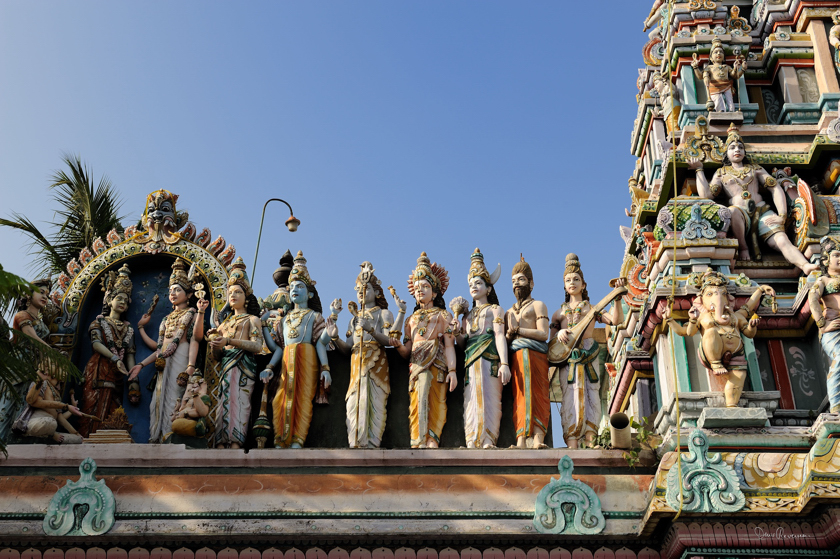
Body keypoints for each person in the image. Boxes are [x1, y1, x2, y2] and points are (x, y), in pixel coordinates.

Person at [690, 124, 819, 275]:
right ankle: (743, 247)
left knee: (781, 240)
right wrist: (699, 169)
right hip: (740, 215)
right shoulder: (721, 173)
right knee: (732, 211)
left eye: (740, 147)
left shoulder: (755, 169)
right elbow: (706, 195)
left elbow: (775, 187)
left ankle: (804, 265)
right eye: (732, 148)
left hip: (762, 211)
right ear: (726, 153)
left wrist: (782, 216)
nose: (737, 150)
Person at [326, 262, 404, 448]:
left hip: (376, 363)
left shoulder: (384, 314)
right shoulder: (354, 320)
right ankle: (356, 444)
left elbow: (389, 341)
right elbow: (347, 348)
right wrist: (335, 337)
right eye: (359, 289)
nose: (361, 291)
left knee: (374, 405)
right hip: (356, 365)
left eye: (366, 288)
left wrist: (371, 330)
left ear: (377, 292)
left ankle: (372, 444)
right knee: (354, 405)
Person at [129, 259, 207, 443]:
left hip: (181, 358)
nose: (172, 293)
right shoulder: (166, 319)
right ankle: (156, 436)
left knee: (175, 396)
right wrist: (140, 364)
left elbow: (196, 339)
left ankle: (169, 435)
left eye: (177, 289)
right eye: (171, 290)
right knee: (157, 400)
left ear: (188, 294)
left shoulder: (191, 313)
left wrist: (190, 366)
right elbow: (159, 348)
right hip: (163, 362)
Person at [550, 254, 623, 449]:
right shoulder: (559, 314)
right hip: (569, 359)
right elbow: (550, 344)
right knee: (570, 397)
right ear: (564, 286)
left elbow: (616, 321)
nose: (572, 282)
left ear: (583, 284)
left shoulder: (592, 308)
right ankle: (572, 442)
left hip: (589, 354)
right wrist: (559, 334)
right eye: (568, 280)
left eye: (576, 279)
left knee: (592, 395)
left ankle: (591, 440)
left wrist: (617, 299)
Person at [260, 251, 331, 448]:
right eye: (292, 287)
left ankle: (297, 439)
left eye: (299, 286)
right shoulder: (284, 320)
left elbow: (320, 342)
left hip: (307, 358)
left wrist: (325, 368)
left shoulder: (314, 317)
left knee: (302, 398)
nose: (294, 290)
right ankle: (280, 439)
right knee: (280, 400)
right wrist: (264, 326)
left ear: (309, 293)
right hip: (286, 361)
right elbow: (277, 348)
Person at [390, 252, 457, 449]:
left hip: (437, 362)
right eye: (417, 288)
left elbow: (450, 345)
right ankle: (418, 439)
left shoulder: (443, 315)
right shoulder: (411, 320)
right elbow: (407, 350)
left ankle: (432, 439)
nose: (420, 290)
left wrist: (452, 371)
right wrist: (399, 346)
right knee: (417, 402)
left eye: (425, 286)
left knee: (435, 400)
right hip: (416, 365)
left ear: (435, 292)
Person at [452, 249, 510, 449]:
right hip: (471, 361)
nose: (474, 287)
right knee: (471, 400)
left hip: (490, 360)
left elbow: (500, 335)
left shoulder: (495, 310)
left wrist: (504, 363)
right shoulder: (467, 316)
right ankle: (472, 440)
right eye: (471, 284)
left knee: (490, 398)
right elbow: (462, 344)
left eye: (478, 283)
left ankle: (488, 439)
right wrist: (456, 331)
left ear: (488, 287)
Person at [208, 258, 263, 449]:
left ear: (246, 296)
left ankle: (236, 443)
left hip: (243, 369)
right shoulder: (223, 325)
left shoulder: (252, 320)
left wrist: (229, 341)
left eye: (238, 292)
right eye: (230, 292)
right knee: (223, 403)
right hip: (226, 368)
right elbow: (216, 357)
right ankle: (221, 442)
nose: (233, 295)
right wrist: (214, 343)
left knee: (238, 403)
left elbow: (257, 346)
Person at [78, 264, 136, 437]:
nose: (123, 303)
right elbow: (96, 344)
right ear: (109, 299)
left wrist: (134, 380)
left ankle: (105, 440)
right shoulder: (98, 323)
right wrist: (114, 359)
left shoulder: (129, 329)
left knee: (112, 408)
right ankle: (86, 438)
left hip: (118, 373)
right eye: (119, 299)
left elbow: (130, 355)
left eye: (126, 301)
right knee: (92, 405)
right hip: (99, 367)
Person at [0, 278, 54, 441]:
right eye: (41, 292)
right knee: (7, 406)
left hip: (33, 368)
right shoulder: (22, 315)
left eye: (48, 294)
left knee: (22, 408)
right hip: (18, 365)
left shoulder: (42, 322)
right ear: (29, 295)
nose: (45, 296)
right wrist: (50, 350)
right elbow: (31, 336)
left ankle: (11, 442)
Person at [506, 255, 550, 449]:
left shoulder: (538, 305)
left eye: (521, 280)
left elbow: (544, 333)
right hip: (516, 356)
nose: (517, 285)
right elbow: (508, 339)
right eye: (514, 281)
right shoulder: (509, 311)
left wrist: (518, 331)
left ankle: (539, 438)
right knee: (520, 396)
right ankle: (521, 439)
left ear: (531, 283)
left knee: (538, 394)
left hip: (536, 356)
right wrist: (509, 335)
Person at [808, 236, 840, 414]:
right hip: (834, 329)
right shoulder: (824, 281)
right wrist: (822, 325)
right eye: (836, 255)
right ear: (826, 259)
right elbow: (812, 299)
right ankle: (836, 405)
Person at [13, 370, 83, 444]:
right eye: (58, 382)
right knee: (50, 423)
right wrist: (39, 381)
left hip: (50, 424)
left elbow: (59, 418)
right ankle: (51, 434)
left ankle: (50, 433)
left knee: (76, 439)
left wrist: (75, 432)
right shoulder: (43, 383)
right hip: (37, 421)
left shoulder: (56, 392)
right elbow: (32, 401)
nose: (65, 373)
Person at [691, 38, 745, 112]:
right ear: (711, 58)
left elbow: (735, 76)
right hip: (715, 86)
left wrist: (740, 69)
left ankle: (731, 111)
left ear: (723, 58)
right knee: (717, 99)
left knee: (729, 100)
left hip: (727, 85)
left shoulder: (726, 67)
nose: (718, 54)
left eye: (721, 52)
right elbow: (700, 76)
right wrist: (695, 67)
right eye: (715, 52)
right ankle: (720, 111)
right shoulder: (710, 67)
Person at [170, 373, 212, 438]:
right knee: (169, 433)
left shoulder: (203, 397)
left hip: (193, 423)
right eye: (190, 388)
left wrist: (185, 413)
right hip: (184, 421)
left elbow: (203, 412)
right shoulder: (189, 399)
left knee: (177, 425)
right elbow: (177, 414)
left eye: (195, 387)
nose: (191, 389)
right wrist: (176, 410)